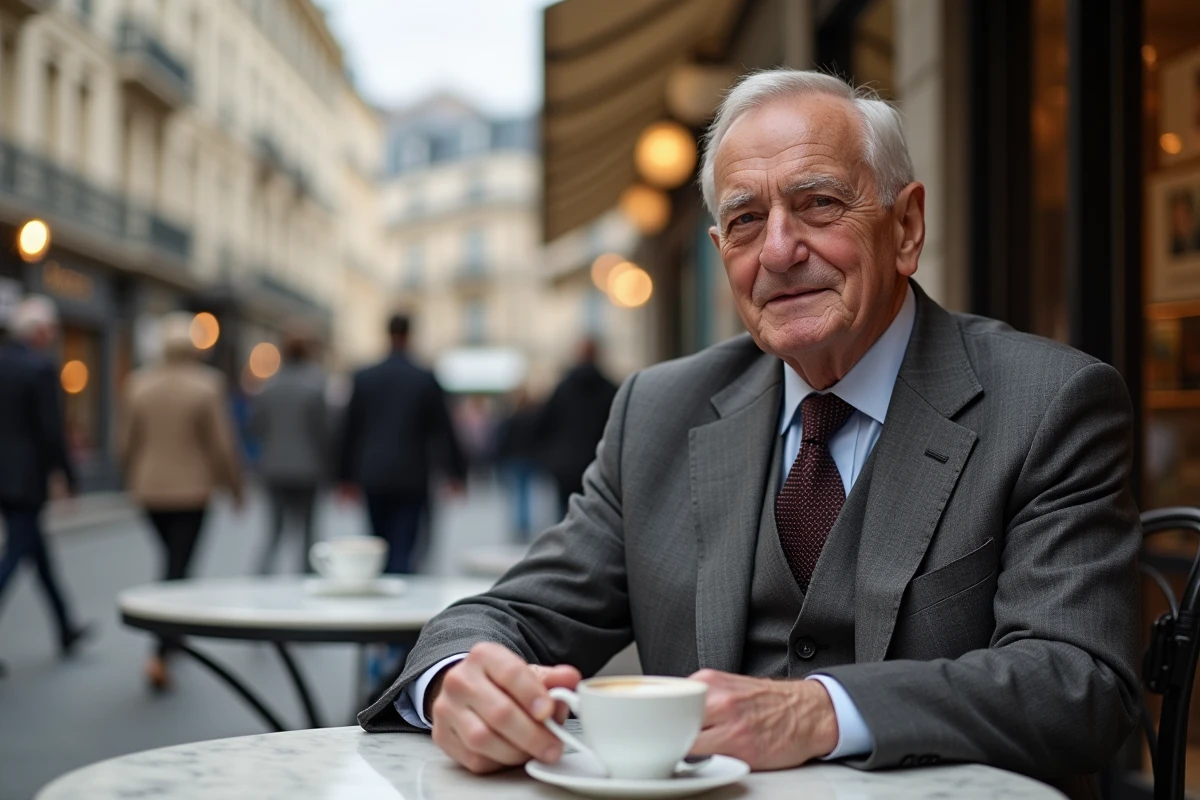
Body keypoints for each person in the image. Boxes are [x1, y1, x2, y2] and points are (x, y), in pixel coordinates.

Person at [356, 70, 1140, 799]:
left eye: (819, 204)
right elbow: (513, 615)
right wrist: (458, 680)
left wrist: (820, 712)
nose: (778, 251)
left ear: (906, 228)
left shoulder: (1047, 404)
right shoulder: (661, 412)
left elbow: (1080, 684)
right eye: (745, 220)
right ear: (720, 252)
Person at [118, 312, 244, 690]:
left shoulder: (137, 384)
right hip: (192, 490)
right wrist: (235, 487)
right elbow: (221, 445)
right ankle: (160, 650)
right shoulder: (207, 385)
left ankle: (172, 639)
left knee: (173, 562)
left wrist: (129, 474)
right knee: (177, 567)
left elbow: (124, 442)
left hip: (149, 489)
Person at [337, 314, 466, 575]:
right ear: (409, 335)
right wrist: (456, 473)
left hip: (372, 473)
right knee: (405, 544)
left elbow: (349, 430)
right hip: (412, 474)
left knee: (378, 543)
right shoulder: (424, 377)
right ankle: (401, 593)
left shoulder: (364, 377)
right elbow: (443, 428)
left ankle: (385, 596)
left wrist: (344, 477)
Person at [0, 296, 91, 663]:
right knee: (18, 550)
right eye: (51, 330)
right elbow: (52, 432)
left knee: (37, 551)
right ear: (38, 332)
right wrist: (68, 477)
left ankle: (66, 626)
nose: (53, 337)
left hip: (4, 476)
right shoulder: (39, 369)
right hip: (26, 478)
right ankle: (66, 626)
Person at [249, 332, 329, 574]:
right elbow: (324, 431)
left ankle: (260, 579)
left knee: (274, 531)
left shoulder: (268, 387)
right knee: (308, 533)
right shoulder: (315, 386)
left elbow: (255, 427)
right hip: (308, 469)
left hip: (274, 469)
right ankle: (306, 582)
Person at [533, 340, 618, 514]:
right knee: (596, 515)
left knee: (564, 515)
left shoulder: (562, 389)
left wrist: (548, 457)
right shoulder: (610, 390)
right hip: (596, 463)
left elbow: (542, 425)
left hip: (565, 465)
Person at [494, 388, 542, 541]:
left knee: (518, 493)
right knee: (525, 492)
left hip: (515, 459)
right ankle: (524, 524)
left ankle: (520, 524)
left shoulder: (512, 418)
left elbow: (504, 441)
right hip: (529, 459)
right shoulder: (533, 418)